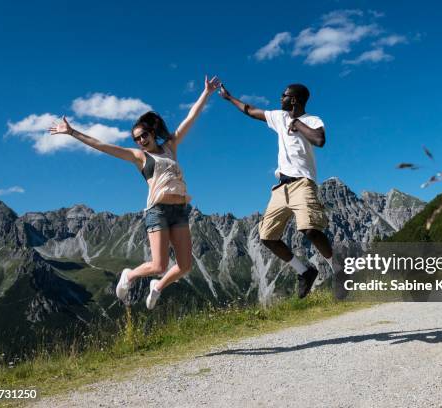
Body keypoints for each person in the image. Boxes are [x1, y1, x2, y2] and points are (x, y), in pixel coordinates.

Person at [49, 75, 221, 309]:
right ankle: (128, 275)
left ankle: (157, 287)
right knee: (159, 265)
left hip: (179, 210)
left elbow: (190, 117)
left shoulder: (170, 147)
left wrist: (207, 93)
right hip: (157, 210)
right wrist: (72, 132)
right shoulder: (139, 156)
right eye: (137, 138)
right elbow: (103, 146)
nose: (141, 140)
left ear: (152, 133)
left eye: (144, 136)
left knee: (185, 266)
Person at [220, 83, 343, 299]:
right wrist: (230, 98)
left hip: (302, 183)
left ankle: (339, 271)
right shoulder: (279, 117)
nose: (280, 98)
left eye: (284, 95)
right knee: (267, 236)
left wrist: (298, 124)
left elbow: (320, 140)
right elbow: (250, 110)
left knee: (310, 229)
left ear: (294, 99)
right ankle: (304, 271)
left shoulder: (312, 121)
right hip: (280, 188)